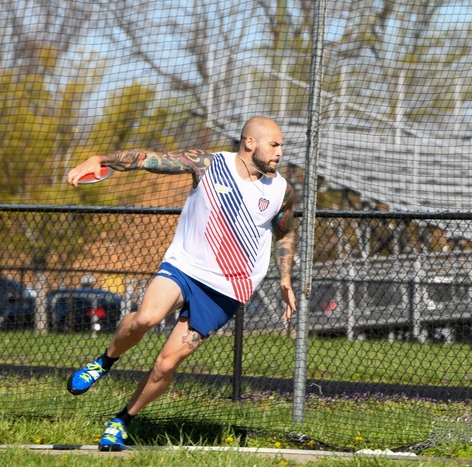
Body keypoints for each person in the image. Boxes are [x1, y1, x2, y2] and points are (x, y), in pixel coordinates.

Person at [64, 116, 298, 452]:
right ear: (250, 143)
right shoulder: (209, 164)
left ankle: (122, 421)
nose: (280, 151)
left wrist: (285, 276)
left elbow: (286, 230)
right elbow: (149, 159)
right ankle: (104, 362)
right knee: (145, 319)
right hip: (185, 266)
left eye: (280, 145)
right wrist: (100, 160)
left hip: (227, 289)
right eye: (274, 144)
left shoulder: (282, 190)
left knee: (166, 363)